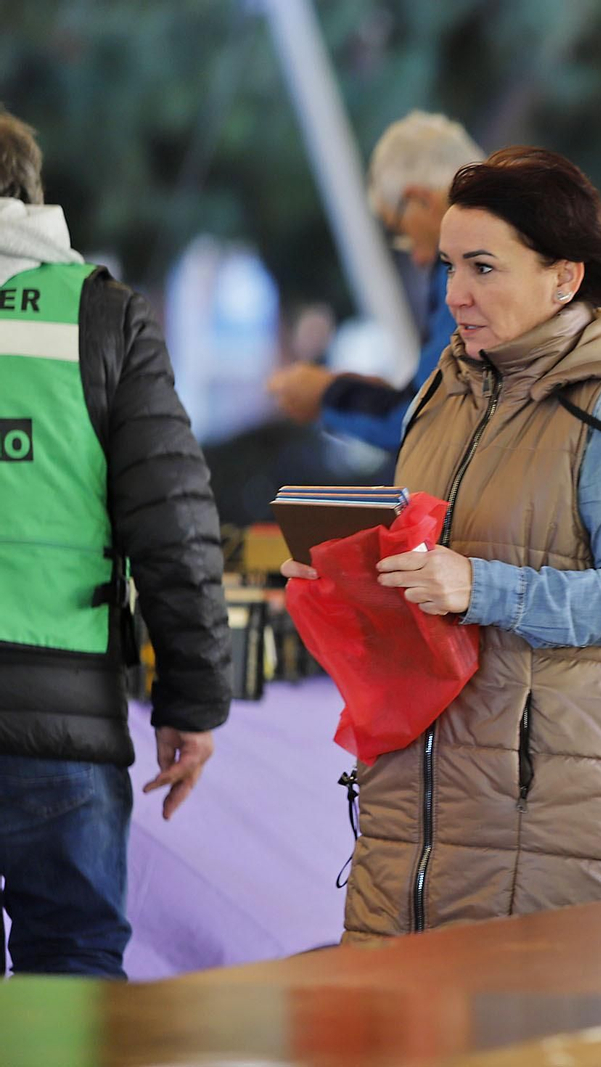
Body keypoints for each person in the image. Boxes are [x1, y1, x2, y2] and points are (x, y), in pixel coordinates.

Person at [283, 146, 601, 939]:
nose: (455, 294)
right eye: (447, 267)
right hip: (411, 810)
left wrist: (482, 588)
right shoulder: (440, 393)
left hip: (547, 828)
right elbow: (431, 561)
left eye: (484, 268)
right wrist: (353, 574)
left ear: (564, 277)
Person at [0, 110, 231, 977]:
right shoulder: (102, 317)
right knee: (72, 964)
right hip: (63, 721)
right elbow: (174, 521)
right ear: (31, 198)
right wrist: (193, 699)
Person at [266, 112, 482, 451]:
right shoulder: (527, 245)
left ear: (420, 200)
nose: (417, 257)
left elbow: (423, 423)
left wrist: (326, 396)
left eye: (400, 230)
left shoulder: (466, 267)